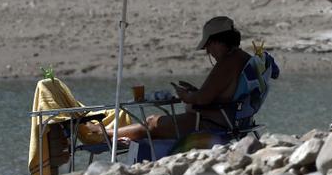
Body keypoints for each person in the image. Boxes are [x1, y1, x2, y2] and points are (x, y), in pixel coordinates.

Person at [101, 15, 251, 144]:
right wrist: (195, 92)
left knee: (153, 123)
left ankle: (102, 135)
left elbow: (202, 99)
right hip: (236, 120)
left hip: (213, 123)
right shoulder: (243, 58)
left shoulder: (226, 63)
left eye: (208, 45)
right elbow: (222, 93)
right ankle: (109, 133)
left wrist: (185, 95)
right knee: (153, 121)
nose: (207, 51)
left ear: (217, 41)